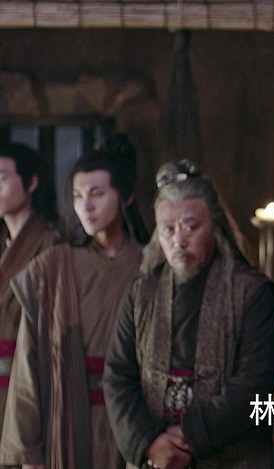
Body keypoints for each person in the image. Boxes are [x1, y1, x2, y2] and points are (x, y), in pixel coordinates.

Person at [103, 160, 274, 469]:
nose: (179, 240)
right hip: (155, 455)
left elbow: (254, 383)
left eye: (191, 227)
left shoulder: (251, 293)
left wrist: (190, 435)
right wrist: (148, 442)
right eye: (168, 229)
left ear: (215, 225)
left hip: (233, 455)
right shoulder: (140, 294)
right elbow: (118, 376)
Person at [0, 135, 149, 469]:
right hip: (66, 415)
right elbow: (28, 366)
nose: (86, 206)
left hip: (133, 415)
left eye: (97, 194)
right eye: (78, 196)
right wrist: (28, 453)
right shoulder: (53, 266)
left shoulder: (150, 264)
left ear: (125, 196)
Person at [0, 144, 61, 452]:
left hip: (25, 388)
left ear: (31, 182)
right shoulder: (4, 242)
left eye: (2, 178)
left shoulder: (52, 246)